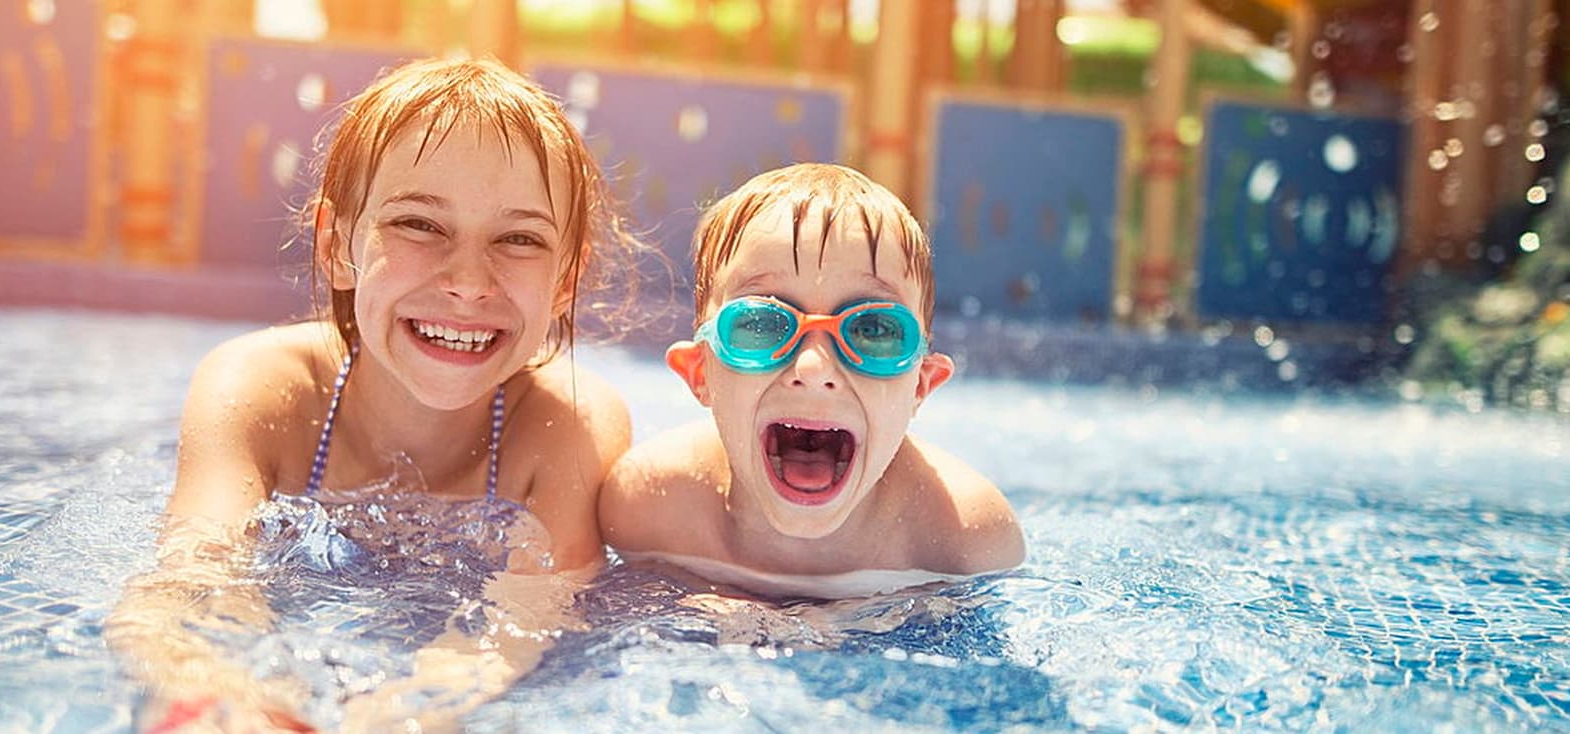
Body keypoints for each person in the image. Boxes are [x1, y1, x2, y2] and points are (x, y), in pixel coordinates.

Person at [106, 57, 639, 732]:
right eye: (419, 225)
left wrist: (408, 713)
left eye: (519, 238)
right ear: (337, 244)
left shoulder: (569, 426)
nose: (469, 280)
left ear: (566, 280)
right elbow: (194, 574)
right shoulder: (264, 391)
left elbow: (522, 620)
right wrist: (217, 687)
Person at [599, 163, 1024, 601]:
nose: (814, 369)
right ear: (700, 372)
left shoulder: (964, 544)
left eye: (873, 329)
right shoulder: (647, 511)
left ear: (921, 384)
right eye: (762, 323)